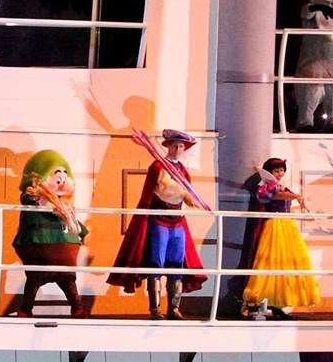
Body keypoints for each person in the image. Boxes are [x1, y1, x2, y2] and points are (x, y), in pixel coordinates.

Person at [108, 129, 206, 319]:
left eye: (181, 146)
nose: (178, 149)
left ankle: (174, 308)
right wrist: (186, 194)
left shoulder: (182, 169)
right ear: (168, 146)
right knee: (156, 263)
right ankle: (155, 308)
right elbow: (164, 188)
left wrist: (188, 195)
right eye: (175, 145)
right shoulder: (158, 166)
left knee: (177, 264)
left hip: (177, 221)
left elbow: (185, 189)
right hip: (159, 220)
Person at [238, 157, 320, 317]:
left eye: (282, 170)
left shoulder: (282, 188)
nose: (280, 173)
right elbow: (274, 196)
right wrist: (294, 196)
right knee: (271, 263)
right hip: (274, 226)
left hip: (286, 226)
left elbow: (286, 199)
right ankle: (259, 302)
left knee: (286, 264)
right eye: (276, 171)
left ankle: (278, 304)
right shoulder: (266, 187)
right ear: (269, 172)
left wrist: (304, 205)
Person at [12, 149, 89, 318]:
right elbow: (29, 198)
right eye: (56, 177)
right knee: (35, 279)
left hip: (64, 253)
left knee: (68, 280)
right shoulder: (35, 200)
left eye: (64, 178)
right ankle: (26, 308)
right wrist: (40, 197)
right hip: (40, 249)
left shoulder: (64, 206)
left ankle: (77, 307)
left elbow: (72, 222)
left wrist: (82, 231)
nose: (61, 183)